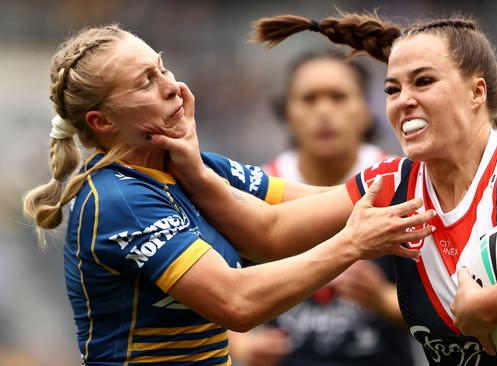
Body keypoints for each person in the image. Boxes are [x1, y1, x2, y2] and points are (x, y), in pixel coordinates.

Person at [150, 13, 497, 366]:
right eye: (391, 89)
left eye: (423, 82)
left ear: (476, 92)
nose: (404, 101)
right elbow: (270, 230)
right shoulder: (394, 183)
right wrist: (193, 165)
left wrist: (482, 307)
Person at [21, 25, 435, 365]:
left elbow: (277, 227)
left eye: (162, 69)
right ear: (102, 121)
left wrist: (426, 176)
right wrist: (352, 243)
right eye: (146, 82)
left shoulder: (192, 165)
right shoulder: (119, 199)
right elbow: (236, 302)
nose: (172, 86)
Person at [229, 51, 417, 366]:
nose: (324, 111)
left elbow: (452, 310)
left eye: (339, 96)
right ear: (286, 111)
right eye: (309, 98)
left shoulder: (404, 185)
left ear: (367, 110)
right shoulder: (254, 191)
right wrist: (241, 344)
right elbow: (212, 290)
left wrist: (383, 300)